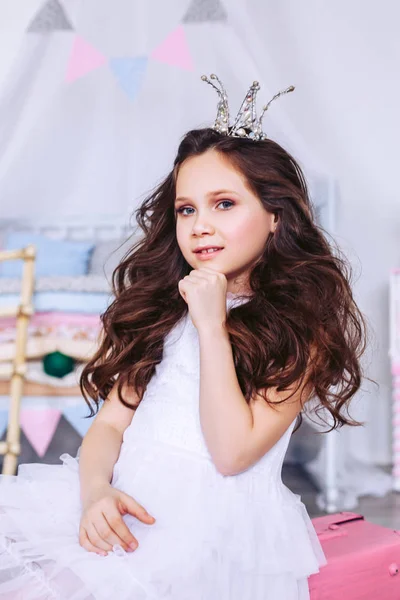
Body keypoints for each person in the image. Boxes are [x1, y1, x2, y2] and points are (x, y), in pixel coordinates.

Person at [0, 75, 368, 600]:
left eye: (224, 204)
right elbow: (109, 424)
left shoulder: (299, 331)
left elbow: (231, 452)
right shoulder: (161, 309)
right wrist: (96, 492)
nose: (199, 226)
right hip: (123, 504)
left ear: (274, 217)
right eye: (186, 209)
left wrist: (212, 325)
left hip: (213, 534)